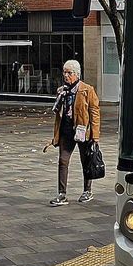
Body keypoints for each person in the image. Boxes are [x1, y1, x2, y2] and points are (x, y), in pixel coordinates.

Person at [49, 59, 101, 207]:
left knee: (86, 161)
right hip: (66, 131)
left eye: (69, 73)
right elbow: (58, 112)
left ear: (77, 74)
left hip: (82, 131)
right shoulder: (62, 91)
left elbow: (95, 113)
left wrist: (95, 136)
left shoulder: (87, 90)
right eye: (64, 72)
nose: (66, 75)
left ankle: (87, 190)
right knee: (63, 161)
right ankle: (62, 194)